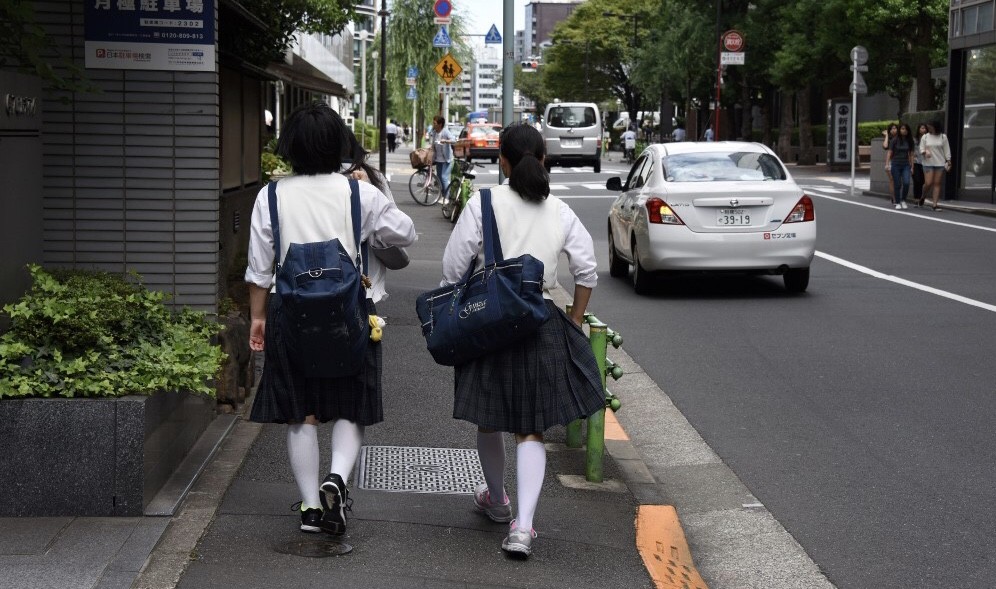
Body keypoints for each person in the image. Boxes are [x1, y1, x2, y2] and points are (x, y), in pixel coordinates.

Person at [244, 102, 417, 536]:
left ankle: (308, 508)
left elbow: (258, 269)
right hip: (351, 311)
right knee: (350, 404)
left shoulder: (271, 195)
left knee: (300, 412)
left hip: (289, 311)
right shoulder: (359, 193)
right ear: (337, 145)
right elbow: (406, 234)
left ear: (291, 148)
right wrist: (365, 217)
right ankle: (336, 478)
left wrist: (257, 319)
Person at [438, 124, 605, 558]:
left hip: (489, 324)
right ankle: (523, 528)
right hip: (541, 322)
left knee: (489, 418)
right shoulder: (561, 211)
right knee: (529, 429)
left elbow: (452, 270)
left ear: (503, 162)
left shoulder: (483, 203)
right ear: (544, 159)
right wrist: (573, 317)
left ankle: (496, 500)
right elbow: (586, 273)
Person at [919, 119, 952, 211]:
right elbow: (921, 148)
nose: (928, 128)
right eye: (928, 126)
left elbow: (946, 149)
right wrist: (925, 152)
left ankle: (935, 205)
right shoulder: (925, 137)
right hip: (928, 163)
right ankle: (923, 197)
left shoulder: (943, 137)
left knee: (937, 183)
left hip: (940, 163)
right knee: (928, 183)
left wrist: (948, 160)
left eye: (930, 126)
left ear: (935, 127)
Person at [885, 123, 915, 209]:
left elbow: (912, 154)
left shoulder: (910, 141)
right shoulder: (894, 140)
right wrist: (887, 164)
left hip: (906, 164)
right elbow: (889, 152)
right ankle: (897, 202)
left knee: (906, 182)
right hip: (895, 164)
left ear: (908, 131)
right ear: (899, 130)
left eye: (905, 129)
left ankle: (903, 200)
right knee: (897, 184)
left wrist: (912, 166)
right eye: (902, 129)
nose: (904, 130)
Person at [428, 115, 456, 202]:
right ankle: (442, 196)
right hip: (438, 160)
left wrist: (446, 141)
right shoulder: (435, 132)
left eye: (435, 123)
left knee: (444, 178)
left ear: (440, 124)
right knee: (439, 179)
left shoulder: (445, 132)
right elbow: (433, 145)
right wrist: (430, 155)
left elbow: (454, 140)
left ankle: (447, 197)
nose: (433, 124)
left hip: (447, 160)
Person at [881, 123, 899, 202]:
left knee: (898, 181)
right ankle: (894, 198)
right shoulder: (889, 139)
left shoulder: (900, 138)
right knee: (892, 179)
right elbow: (885, 146)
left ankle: (896, 196)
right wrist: (886, 135)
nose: (894, 130)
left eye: (895, 128)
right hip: (891, 161)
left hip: (900, 161)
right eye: (892, 129)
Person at [912, 123, 928, 207]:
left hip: (926, 163)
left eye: (925, 128)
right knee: (917, 180)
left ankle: (922, 197)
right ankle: (916, 198)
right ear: (918, 129)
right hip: (916, 162)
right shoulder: (915, 140)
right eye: (922, 128)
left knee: (923, 181)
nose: (923, 130)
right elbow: (911, 150)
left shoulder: (928, 139)